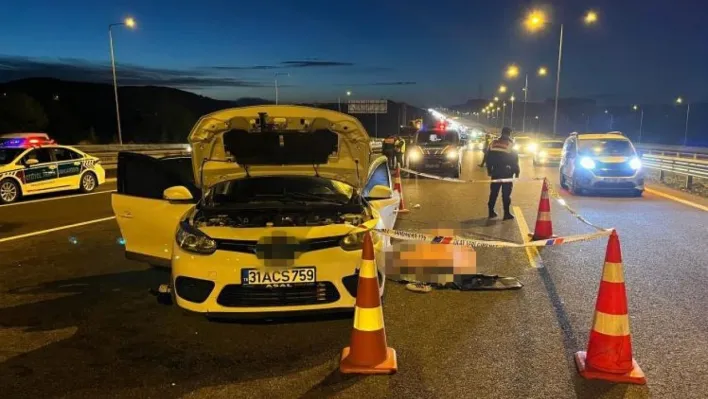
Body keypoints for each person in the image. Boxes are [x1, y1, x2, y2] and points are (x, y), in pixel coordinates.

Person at [485, 127, 520, 220]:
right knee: (506, 194)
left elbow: (487, 157)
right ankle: (506, 213)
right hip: (507, 173)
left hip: (495, 172)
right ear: (509, 134)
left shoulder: (494, 143)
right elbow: (514, 160)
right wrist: (517, 172)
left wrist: (489, 170)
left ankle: (491, 212)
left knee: (493, 193)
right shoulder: (510, 144)